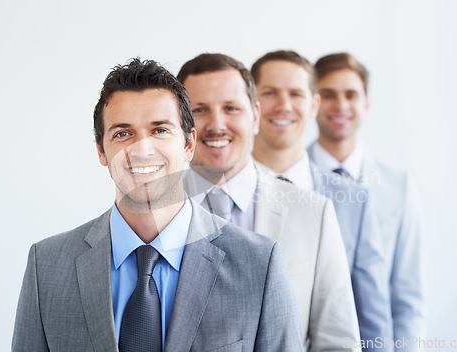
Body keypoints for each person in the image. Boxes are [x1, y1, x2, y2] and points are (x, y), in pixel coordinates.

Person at [12, 58, 303, 352]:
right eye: (122, 134)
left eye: (159, 130)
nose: (142, 150)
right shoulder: (46, 266)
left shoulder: (259, 264)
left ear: (189, 144)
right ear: (101, 150)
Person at [177, 53, 361, 352]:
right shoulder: (153, 210)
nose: (217, 124)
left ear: (256, 116)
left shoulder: (314, 214)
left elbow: (338, 341)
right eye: (199, 109)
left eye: (231, 108)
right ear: (181, 124)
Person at [251, 50, 392, 350]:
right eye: (270, 92)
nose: (284, 105)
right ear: (252, 103)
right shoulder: (221, 193)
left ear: (313, 104)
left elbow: (371, 314)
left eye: (296, 93)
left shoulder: (352, 200)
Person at [309, 52, 424, 349]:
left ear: (366, 104)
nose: (341, 105)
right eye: (328, 94)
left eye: (351, 95)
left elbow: (407, 296)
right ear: (312, 103)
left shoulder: (399, 186)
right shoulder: (289, 181)